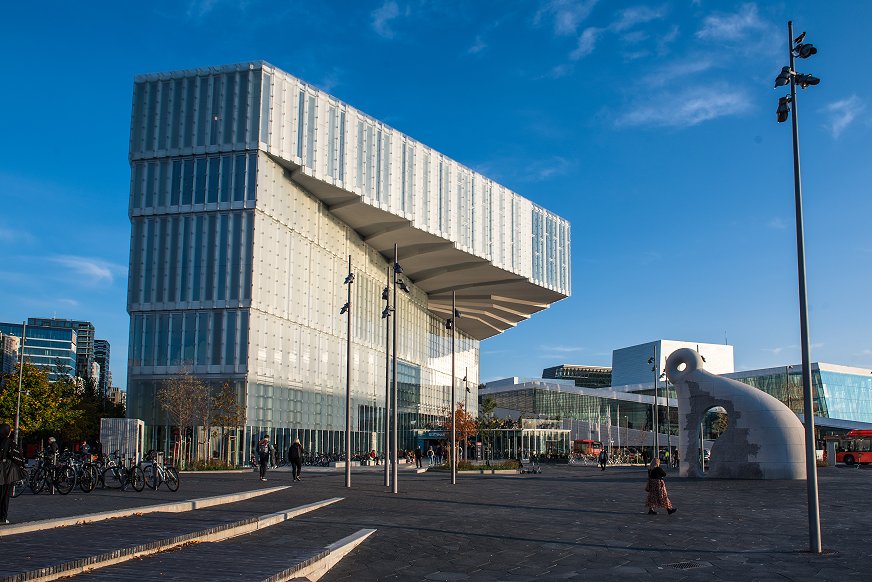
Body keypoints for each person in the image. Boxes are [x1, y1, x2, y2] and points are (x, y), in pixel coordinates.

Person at [1, 423, 23, 525]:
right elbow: (16, 456)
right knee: (5, 495)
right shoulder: (9, 442)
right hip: (5, 472)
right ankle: (2, 517)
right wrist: (21, 466)